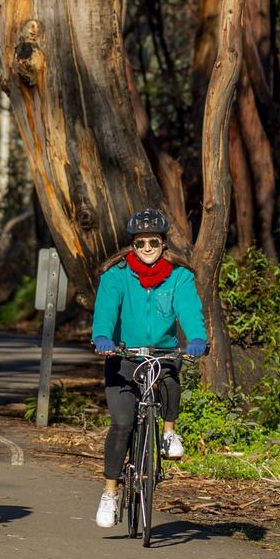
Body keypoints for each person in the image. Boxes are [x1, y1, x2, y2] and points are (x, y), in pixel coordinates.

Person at [91, 207, 207, 528]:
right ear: (133, 245)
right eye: (140, 243)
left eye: (153, 243)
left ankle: (169, 433)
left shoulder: (179, 277)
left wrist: (197, 339)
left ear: (163, 245)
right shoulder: (115, 276)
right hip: (122, 358)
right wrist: (102, 337)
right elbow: (105, 311)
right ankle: (110, 493)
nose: (146, 250)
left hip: (160, 354)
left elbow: (189, 311)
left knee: (169, 379)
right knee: (123, 424)